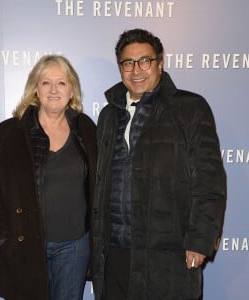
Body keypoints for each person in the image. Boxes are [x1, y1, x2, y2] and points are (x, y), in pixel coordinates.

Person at [91, 28, 226, 300]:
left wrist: (200, 242)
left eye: (145, 61)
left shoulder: (190, 109)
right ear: (120, 68)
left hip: (168, 255)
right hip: (115, 252)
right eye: (128, 63)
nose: (136, 70)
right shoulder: (108, 115)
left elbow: (209, 183)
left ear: (160, 63)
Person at [0, 55, 97, 300]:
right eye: (46, 83)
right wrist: (2, 239)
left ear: (72, 90)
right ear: (35, 89)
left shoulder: (86, 129)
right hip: (26, 248)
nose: (54, 90)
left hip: (74, 247)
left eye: (62, 83)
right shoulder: (7, 134)